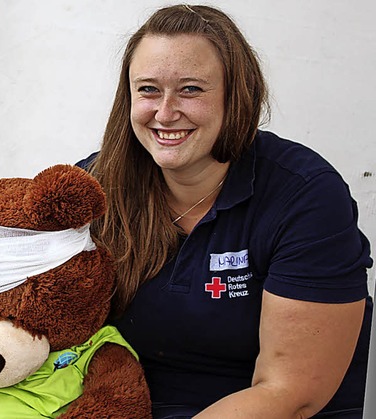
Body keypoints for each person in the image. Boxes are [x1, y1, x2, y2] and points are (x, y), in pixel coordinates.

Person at [77, 5, 372, 419]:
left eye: (191, 89)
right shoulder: (96, 183)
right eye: (147, 89)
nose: (164, 113)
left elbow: (291, 394)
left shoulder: (306, 195)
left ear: (238, 95)